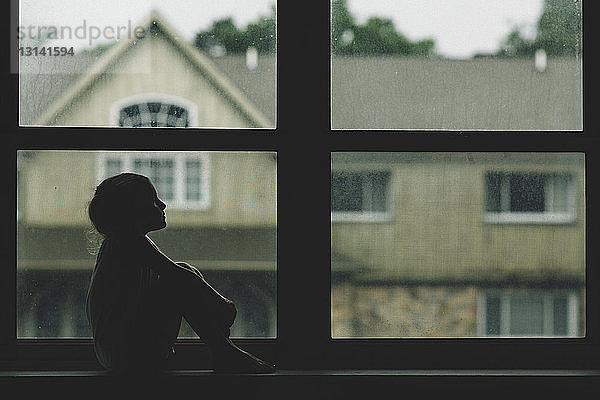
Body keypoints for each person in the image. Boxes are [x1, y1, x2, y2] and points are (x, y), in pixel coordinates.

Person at [85, 172, 276, 374]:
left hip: (122, 352)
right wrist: (220, 303)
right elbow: (177, 276)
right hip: (125, 354)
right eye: (153, 201)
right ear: (134, 211)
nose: (162, 205)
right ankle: (224, 351)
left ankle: (223, 350)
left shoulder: (128, 242)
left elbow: (178, 275)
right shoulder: (126, 241)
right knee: (178, 277)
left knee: (181, 272)